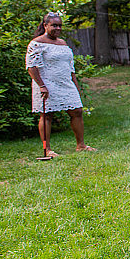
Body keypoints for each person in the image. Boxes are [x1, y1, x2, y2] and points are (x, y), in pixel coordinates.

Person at [25, 12, 95, 156]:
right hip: (47, 85)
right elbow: (31, 67)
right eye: (54, 25)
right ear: (45, 26)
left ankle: (80, 145)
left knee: (77, 111)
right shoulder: (37, 43)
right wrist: (42, 86)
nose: (58, 28)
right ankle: (47, 149)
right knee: (47, 115)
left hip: (65, 83)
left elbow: (70, 67)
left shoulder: (62, 43)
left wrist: (75, 85)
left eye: (60, 25)